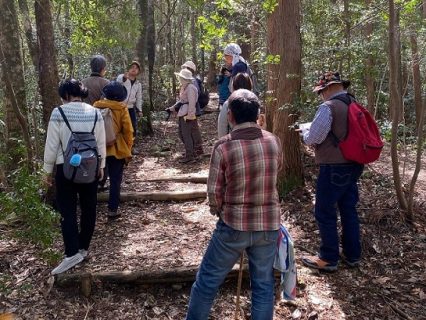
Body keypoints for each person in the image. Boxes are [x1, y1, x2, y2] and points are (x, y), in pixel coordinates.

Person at [186, 89, 282, 320]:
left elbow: (214, 192)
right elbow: (277, 172)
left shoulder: (224, 146)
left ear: (230, 116)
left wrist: (218, 210)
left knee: (207, 283)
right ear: (258, 114)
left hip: (233, 226)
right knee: (263, 286)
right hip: (268, 225)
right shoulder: (274, 141)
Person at [300, 71, 364, 272]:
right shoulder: (354, 103)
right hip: (354, 164)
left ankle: (328, 257)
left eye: (321, 91)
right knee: (348, 209)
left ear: (328, 89)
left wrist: (304, 133)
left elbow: (314, 138)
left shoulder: (328, 107)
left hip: (333, 166)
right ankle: (352, 254)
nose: (321, 95)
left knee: (324, 211)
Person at [43, 79, 106, 275]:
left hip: (66, 169)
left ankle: (71, 252)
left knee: (67, 209)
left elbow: (52, 145)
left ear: (65, 95)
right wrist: (101, 166)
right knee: (89, 208)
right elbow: (100, 142)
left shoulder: (58, 113)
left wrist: (46, 171)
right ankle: (83, 248)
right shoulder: (95, 112)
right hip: (91, 167)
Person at [94, 81, 133, 220]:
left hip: (98, 149)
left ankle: (91, 207)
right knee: (115, 180)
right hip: (117, 150)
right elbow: (128, 131)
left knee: (96, 179)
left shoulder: (96, 106)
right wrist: (128, 149)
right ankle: (112, 209)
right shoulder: (122, 109)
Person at [167, 68, 203, 163]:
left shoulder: (191, 87)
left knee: (186, 135)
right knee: (182, 134)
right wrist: (172, 108)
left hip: (187, 114)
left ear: (184, 78)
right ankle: (191, 152)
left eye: (180, 77)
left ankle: (190, 155)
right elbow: (182, 101)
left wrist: (190, 115)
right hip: (183, 113)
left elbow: (192, 103)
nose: (179, 78)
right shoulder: (184, 87)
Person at [217, 72, 253, 138]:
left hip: (233, 142)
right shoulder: (255, 103)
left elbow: (222, 126)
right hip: (253, 141)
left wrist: (222, 142)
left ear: (233, 86)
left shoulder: (228, 104)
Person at [116, 61, 143, 140]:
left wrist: (139, 110)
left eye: (136, 68)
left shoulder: (138, 84)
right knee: (119, 127)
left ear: (138, 71)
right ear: (128, 69)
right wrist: (124, 78)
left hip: (131, 108)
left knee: (132, 127)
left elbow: (139, 97)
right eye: (132, 67)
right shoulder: (122, 77)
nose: (134, 69)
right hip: (120, 107)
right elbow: (118, 83)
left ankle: (130, 146)